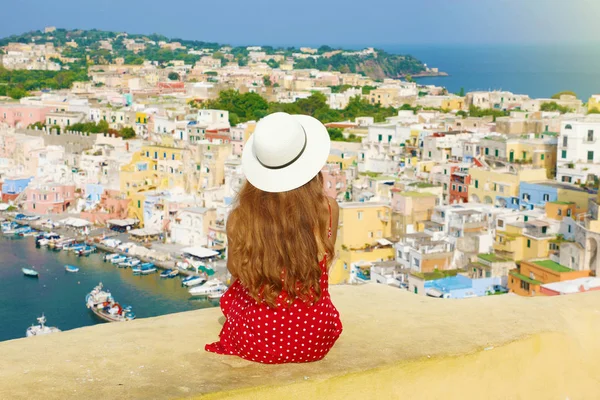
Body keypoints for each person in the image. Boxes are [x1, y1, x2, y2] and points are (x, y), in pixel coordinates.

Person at [205, 112, 342, 364]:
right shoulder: (329, 210)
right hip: (315, 338)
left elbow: (236, 271)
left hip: (257, 341)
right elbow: (322, 266)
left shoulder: (240, 218)